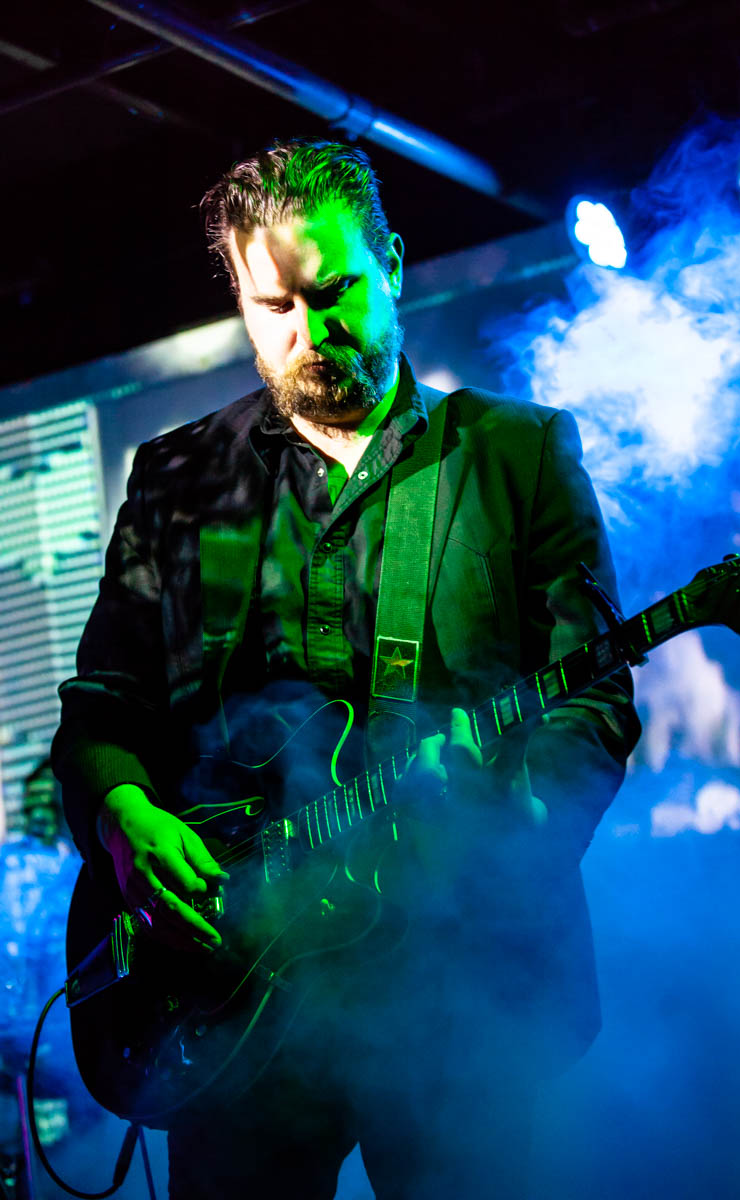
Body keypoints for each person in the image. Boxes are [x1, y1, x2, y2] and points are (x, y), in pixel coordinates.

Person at [52, 137, 640, 1200]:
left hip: (459, 999)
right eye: (271, 309)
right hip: (232, 1014)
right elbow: (102, 711)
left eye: (333, 295)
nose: (307, 336)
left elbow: (590, 705)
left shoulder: (515, 459)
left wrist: (489, 855)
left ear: (395, 265)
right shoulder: (176, 480)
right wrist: (125, 817)